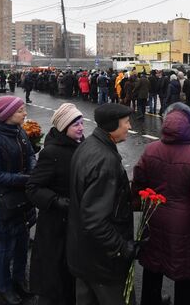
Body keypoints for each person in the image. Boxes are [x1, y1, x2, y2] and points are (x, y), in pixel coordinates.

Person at [133, 102, 190, 305]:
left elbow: (138, 182)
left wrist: (138, 204)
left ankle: (150, 301)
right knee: (184, 269)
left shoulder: (150, 149)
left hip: (153, 214)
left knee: (153, 265)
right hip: (183, 222)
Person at [67, 103, 137, 305]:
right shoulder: (105, 160)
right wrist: (122, 247)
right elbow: (96, 221)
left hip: (83, 255)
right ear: (113, 126)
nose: (129, 126)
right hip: (103, 263)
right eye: (126, 122)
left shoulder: (88, 144)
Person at [0, 96, 36, 305]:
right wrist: (25, 179)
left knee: (22, 242)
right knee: (6, 246)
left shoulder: (19, 131)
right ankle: (4, 287)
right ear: (7, 115)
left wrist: (32, 169)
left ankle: (19, 280)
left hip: (21, 197)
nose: (24, 113)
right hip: (2, 201)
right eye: (20, 110)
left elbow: (30, 154)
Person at [27, 103, 84, 305]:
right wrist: (56, 201)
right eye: (75, 124)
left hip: (75, 220)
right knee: (55, 271)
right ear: (63, 127)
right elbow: (33, 187)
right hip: (55, 222)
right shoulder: (51, 153)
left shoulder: (80, 145)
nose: (81, 127)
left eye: (81, 123)